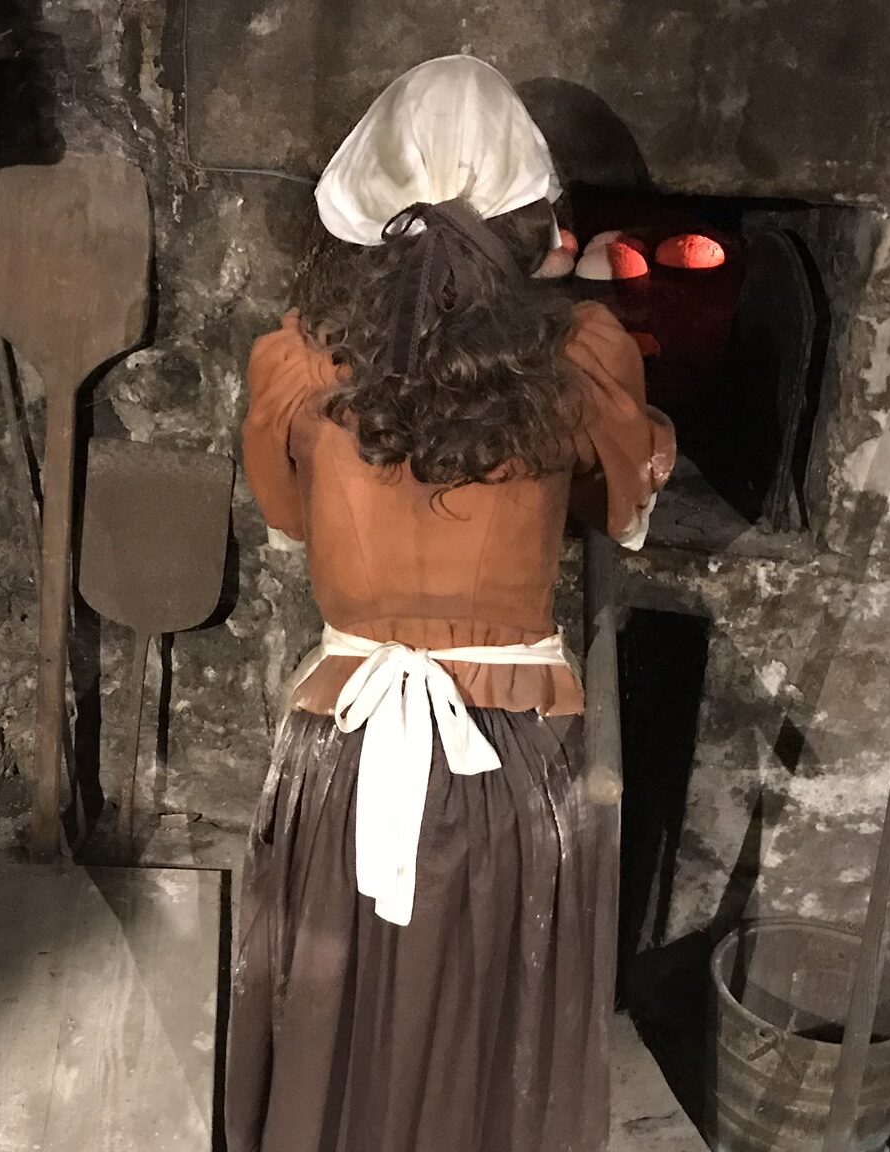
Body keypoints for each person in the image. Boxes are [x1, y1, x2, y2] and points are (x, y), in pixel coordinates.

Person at [225, 55, 675, 1152]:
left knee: (338, 1001)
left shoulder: (291, 361)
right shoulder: (584, 357)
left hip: (343, 742)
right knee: (486, 1014)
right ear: (527, 216)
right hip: (513, 759)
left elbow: (287, 514)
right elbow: (617, 507)